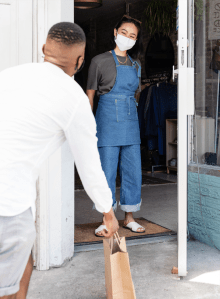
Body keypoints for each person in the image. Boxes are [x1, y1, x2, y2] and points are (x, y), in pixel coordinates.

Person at [0, 22, 119, 299]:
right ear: (80, 61)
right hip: (2, 210)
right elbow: (89, 165)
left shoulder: (6, 77)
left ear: (44, 49)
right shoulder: (74, 99)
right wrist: (108, 212)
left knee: (26, 263)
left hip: (3, 204)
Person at [86, 15, 146, 236]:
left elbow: (136, 95)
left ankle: (129, 217)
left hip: (130, 121)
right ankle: (106, 219)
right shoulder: (98, 61)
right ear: (115, 32)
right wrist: (89, 125)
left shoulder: (136, 65)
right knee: (106, 170)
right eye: (124, 33)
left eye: (132, 36)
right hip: (107, 120)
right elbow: (89, 95)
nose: (127, 38)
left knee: (132, 171)